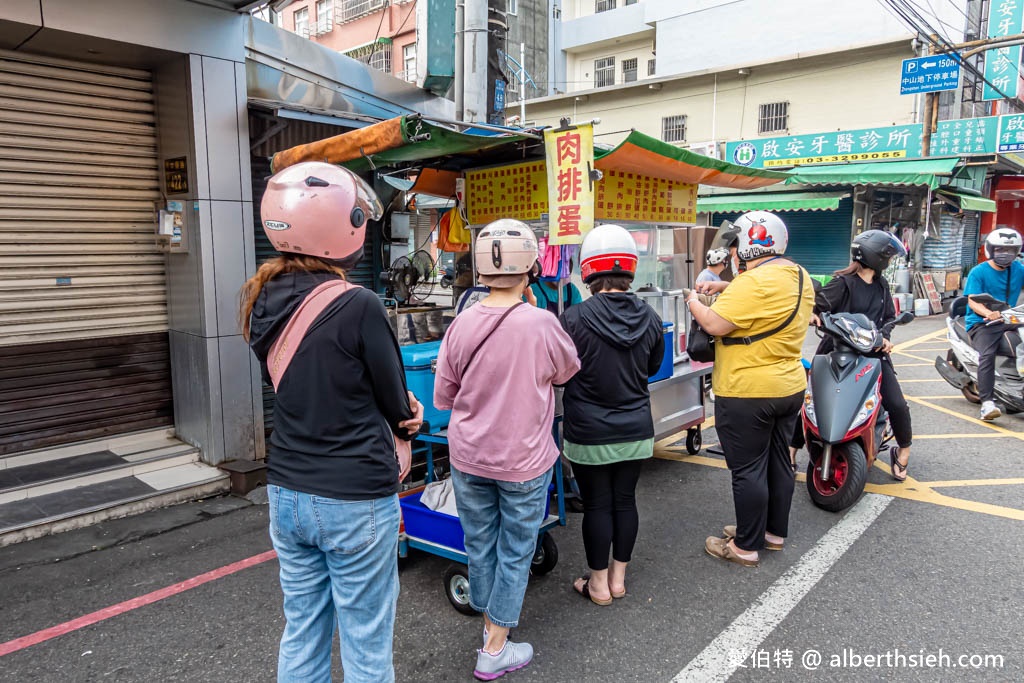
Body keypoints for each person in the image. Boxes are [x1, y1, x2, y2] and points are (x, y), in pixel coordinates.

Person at [241, 162, 423, 682]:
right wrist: (409, 413)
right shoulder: (359, 303)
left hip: (288, 492)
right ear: (343, 226)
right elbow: (394, 402)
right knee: (366, 642)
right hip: (355, 497)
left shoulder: (260, 298)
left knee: (303, 630)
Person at [434, 219, 580, 681]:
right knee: (516, 549)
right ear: (531, 268)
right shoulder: (541, 324)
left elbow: (445, 397)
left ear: (481, 269)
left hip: (468, 455)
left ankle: (489, 632)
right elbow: (566, 372)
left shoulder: (460, 326)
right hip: (522, 459)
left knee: (480, 545)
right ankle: (494, 649)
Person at [685, 211, 814, 568]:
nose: (735, 252)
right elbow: (769, 302)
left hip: (748, 391)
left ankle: (744, 545)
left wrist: (693, 301)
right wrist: (725, 287)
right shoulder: (798, 275)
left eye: (738, 244)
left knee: (748, 469)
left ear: (750, 245)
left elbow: (714, 323)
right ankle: (771, 533)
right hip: (788, 386)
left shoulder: (750, 283)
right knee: (778, 463)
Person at [558, 225, 664, 605]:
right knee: (625, 500)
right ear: (629, 269)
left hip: (589, 429)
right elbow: (652, 366)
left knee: (597, 504)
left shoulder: (573, 318)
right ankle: (619, 579)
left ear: (588, 270)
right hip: (636, 427)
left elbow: (560, 371)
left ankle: (598, 584)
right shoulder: (651, 318)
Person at [808, 230, 914, 481]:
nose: (889, 261)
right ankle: (791, 450)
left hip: (872, 355)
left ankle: (904, 450)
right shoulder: (842, 283)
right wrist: (813, 314)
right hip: (837, 352)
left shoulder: (881, 285)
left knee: (897, 403)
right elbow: (818, 305)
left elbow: (889, 317)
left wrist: (885, 337)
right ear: (875, 256)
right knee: (814, 403)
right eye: (887, 256)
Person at [963, 228, 1024, 421]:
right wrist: (989, 314)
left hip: (1010, 319)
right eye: (1000, 249)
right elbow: (972, 300)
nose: (1005, 254)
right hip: (982, 323)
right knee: (987, 355)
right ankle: (987, 403)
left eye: (1010, 250)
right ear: (990, 249)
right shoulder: (978, 272)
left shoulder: (1019, 269)